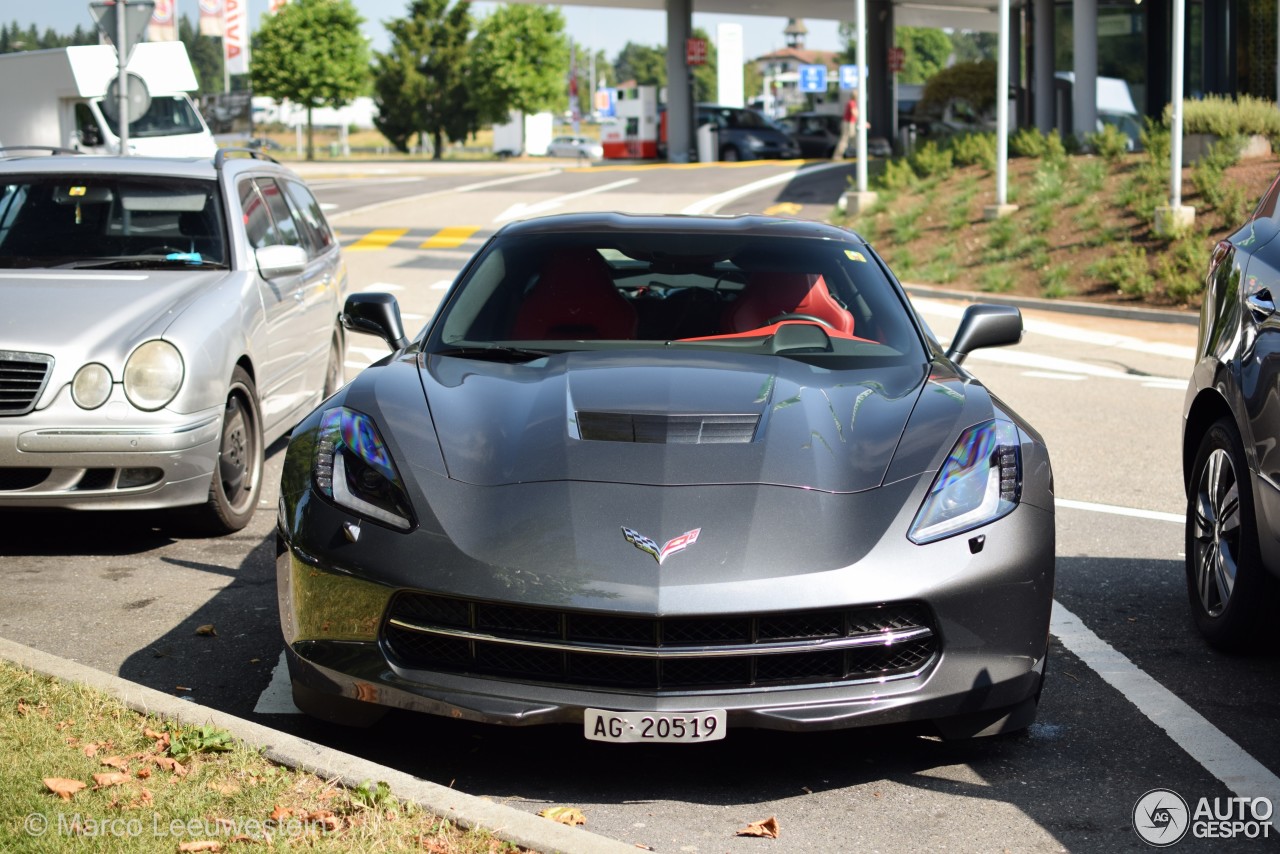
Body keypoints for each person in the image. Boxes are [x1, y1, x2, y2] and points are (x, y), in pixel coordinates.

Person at [833, 96, 858, 160]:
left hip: (849, 123)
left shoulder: (851, 102)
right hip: (848, 123)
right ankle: (837, 156)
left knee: (853, 138)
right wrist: (861, 119)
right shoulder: (852, 103)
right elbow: (854, 112)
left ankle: (857, 153)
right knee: (845, 139)